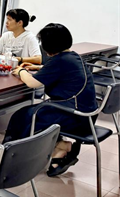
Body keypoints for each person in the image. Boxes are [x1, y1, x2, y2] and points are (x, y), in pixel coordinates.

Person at [5, 23, 96, 177]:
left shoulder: (60, 61)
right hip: (87, 114)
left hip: (74, 116)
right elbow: (61, 71)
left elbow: (32, 83)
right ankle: (60, 148)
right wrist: (40, 68)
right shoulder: (73, 56)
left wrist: (21, 71)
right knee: (38, 111)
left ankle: (13, 161)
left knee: (23, 116)